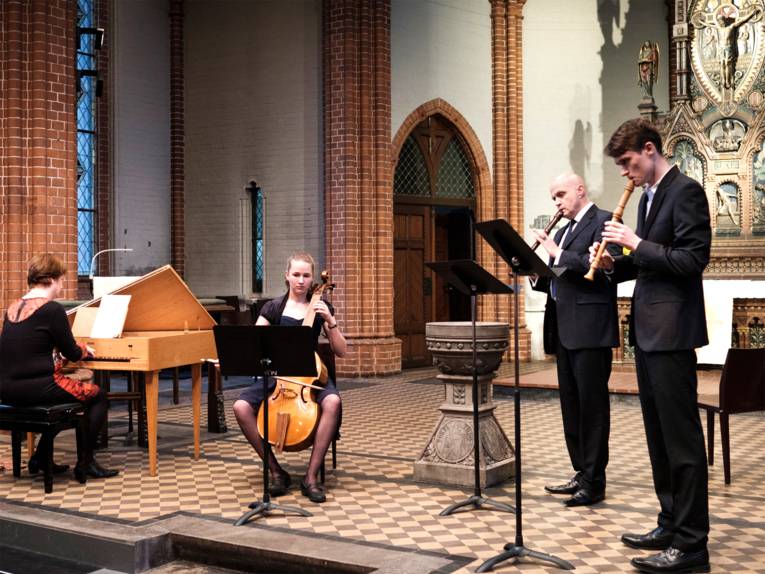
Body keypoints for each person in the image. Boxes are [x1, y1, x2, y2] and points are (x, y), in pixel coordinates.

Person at [596, 119, 711, 573]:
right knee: (659, 438)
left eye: (628, 163)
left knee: (681, 442)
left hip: (672, 333)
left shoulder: (685, 191)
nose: (625, 173)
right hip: (647, 333)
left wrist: (635, 242)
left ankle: (692, 544)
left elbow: (691, 259)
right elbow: (648, 264)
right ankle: (669, 521)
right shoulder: (650, 196)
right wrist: (611, 264)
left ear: (649, 149)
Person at [530, 173, 618, 508]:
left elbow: (597, 268)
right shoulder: (565, 229)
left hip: (591, 328)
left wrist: (555, 251)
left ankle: (594, 482)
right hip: (564, 327)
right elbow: (558, 279)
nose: (556, 203)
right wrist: (538, 272)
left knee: (592, 408)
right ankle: (581, 472)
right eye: (553, 197)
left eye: (561, 195)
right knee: (571, 406)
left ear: (580, 190)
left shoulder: (605, 220)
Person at [233, 252, 347, 503]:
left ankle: (311, 476)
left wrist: (330, 320)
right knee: (240, 407)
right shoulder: (273, 307)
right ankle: (276, 472)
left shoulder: (321, 306)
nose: (301, 280)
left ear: (312, 279)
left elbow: (341, 350)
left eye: (306, 275)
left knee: (333, 402)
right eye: (296, 275)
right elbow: (255, 342)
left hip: (311, 377)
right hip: (278, 376)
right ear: (287, 276)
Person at [0, 254, 118, 482]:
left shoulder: (13, 307)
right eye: (62, 280)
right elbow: (73, 352)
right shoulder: (52, 310)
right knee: (98, 396)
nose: (62, 286)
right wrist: (85, 349)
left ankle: (40, 458)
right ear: (51, 279)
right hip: (37, 389)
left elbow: (29, 350)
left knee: (61, 408)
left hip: (6, 388)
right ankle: (86, 463)